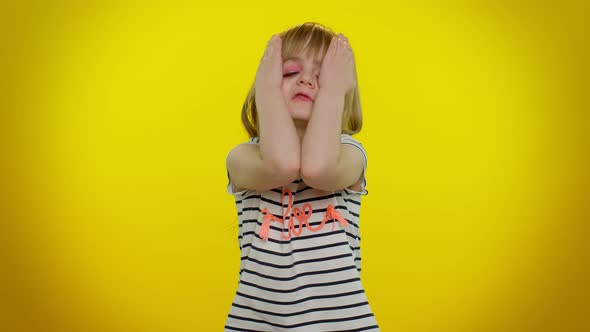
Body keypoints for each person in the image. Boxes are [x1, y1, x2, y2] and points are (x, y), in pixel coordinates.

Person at [224, 22, 379, 331]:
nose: (307, 80)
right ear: (265, 84)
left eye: (323, 76)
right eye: (289, 72)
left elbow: (317, 169)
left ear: (340, 92)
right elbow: (282, 165)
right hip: (256, 324)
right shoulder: (242, 157)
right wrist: (266, 89)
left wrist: (334, 89)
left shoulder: (351, 155)